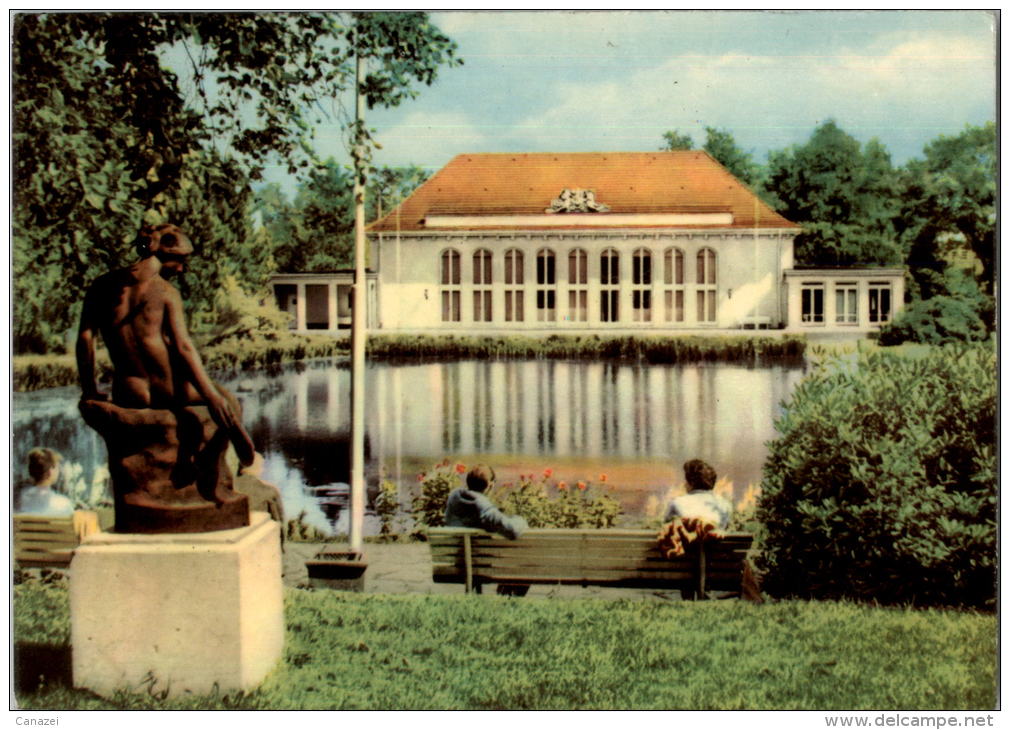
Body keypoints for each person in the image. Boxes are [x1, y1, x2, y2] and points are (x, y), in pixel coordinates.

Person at [75, 223, 255, 467]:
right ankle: (206, 456)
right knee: (226, 399)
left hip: (130, 391)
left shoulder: (102, 285)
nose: (182, 269)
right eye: (180, 261)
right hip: (170, 389)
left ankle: (193, 450)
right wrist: (212, 397)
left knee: (213, 393)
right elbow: (183, 347)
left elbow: (86, 339)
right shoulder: (165, 291)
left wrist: (89, 389)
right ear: (162, 255)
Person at [658, 459, 733, 558]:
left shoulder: (676, 503)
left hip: (681, 567)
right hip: (717, 567)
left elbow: (666, 527)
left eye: (686, 480)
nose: (684, 484)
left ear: (691, 483)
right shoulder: (725, 504)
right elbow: (724, 529)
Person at [445, 464, 528, 539]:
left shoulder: (454, 498)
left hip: (456, 552)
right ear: (490, 485)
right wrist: (521, 521)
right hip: (477, 554)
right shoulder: (484, 508)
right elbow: (512, 531)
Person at [234, 452, 286, 548]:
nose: (263, 470)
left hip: (235, 538)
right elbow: (278, 522)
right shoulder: (269, 490)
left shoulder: (228, 488)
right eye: (262, 466)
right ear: (257, 467)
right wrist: (281, 547)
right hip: (259, 540)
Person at [16, 448, 74, 517]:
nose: (59, 471)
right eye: (57, 467)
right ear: (50, 472)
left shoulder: (18, 500)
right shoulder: (63, 504)